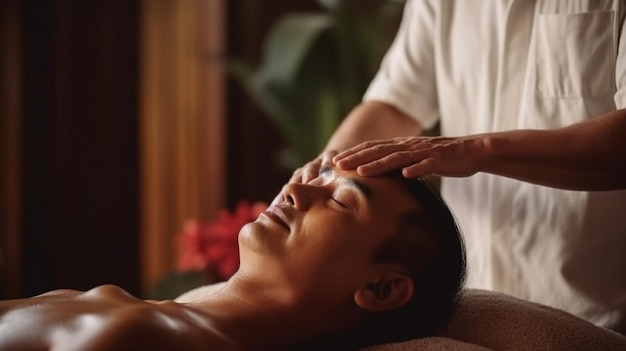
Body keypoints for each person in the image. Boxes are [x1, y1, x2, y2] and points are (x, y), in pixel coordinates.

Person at [292, 0, 626, 334]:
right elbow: (396, 100)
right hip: (472, 313)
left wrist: (476, 150)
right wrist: (330, 162)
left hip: (598, 316)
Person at [0, 168, 466, 351]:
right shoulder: (135, 308)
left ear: (381, 289)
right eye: (316, 177)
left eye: (341, 202)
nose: (295, 190)